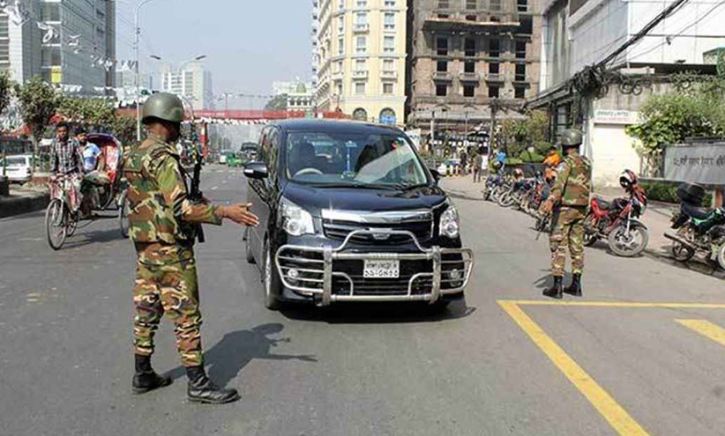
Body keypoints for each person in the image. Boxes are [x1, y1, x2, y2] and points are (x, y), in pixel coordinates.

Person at [123, 93, 260, 404]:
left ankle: (142, 372)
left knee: (147, 309)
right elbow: (181, 209)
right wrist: (225, 212)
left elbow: (152, 200)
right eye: (177, 124)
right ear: (169, 123)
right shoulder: (163, 158)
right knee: (186, 315)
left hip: (146, 247)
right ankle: (198, 382)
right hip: (171, 249)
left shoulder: (134, 154)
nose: (179, 129)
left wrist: (199, 201)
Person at [540, 129, 592, 299]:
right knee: (577, 245)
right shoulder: (586, 163)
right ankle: (576, 285)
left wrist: (549, 201)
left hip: (565, 209)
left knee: (558, 244)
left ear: (565, 144)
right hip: (581, 208)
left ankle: (557, 287)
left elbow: (559, 185)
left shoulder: (565, 164)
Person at [50, 122, 84, 213]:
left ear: (67, 131)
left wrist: (81, 172)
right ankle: (58, 209)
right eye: (60, 131)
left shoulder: (74, 142)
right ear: (57, 132)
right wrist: (53, 173)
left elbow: (79, 158)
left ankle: (74, 211)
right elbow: (53, 158)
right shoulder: (54, 143)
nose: (62, 133)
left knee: (75, 189)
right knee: (57, 191)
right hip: (60, 173)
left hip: (73, 172)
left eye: (64, 131)